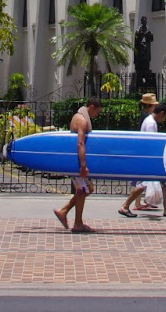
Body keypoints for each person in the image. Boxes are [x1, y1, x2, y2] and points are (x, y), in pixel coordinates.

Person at [54, 98, 101, 233]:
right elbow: (80, 143)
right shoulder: (83, 120)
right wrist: (83, 165)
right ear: (91, 107)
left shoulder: (77, 116)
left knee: (87, 188)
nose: (96, 115)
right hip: (77, 162)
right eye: (96, 112)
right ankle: (77, 223)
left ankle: (64, 211)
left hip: (75, 160)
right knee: (83, 190)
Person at [119, 93, 166, 218]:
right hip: (148, 158)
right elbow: (150, 142)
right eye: (165, 117)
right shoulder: (151, 123)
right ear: (162, 113)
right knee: (143, 184)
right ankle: (125, 205)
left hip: (146, 157)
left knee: (160, 182)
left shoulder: (148, 120)